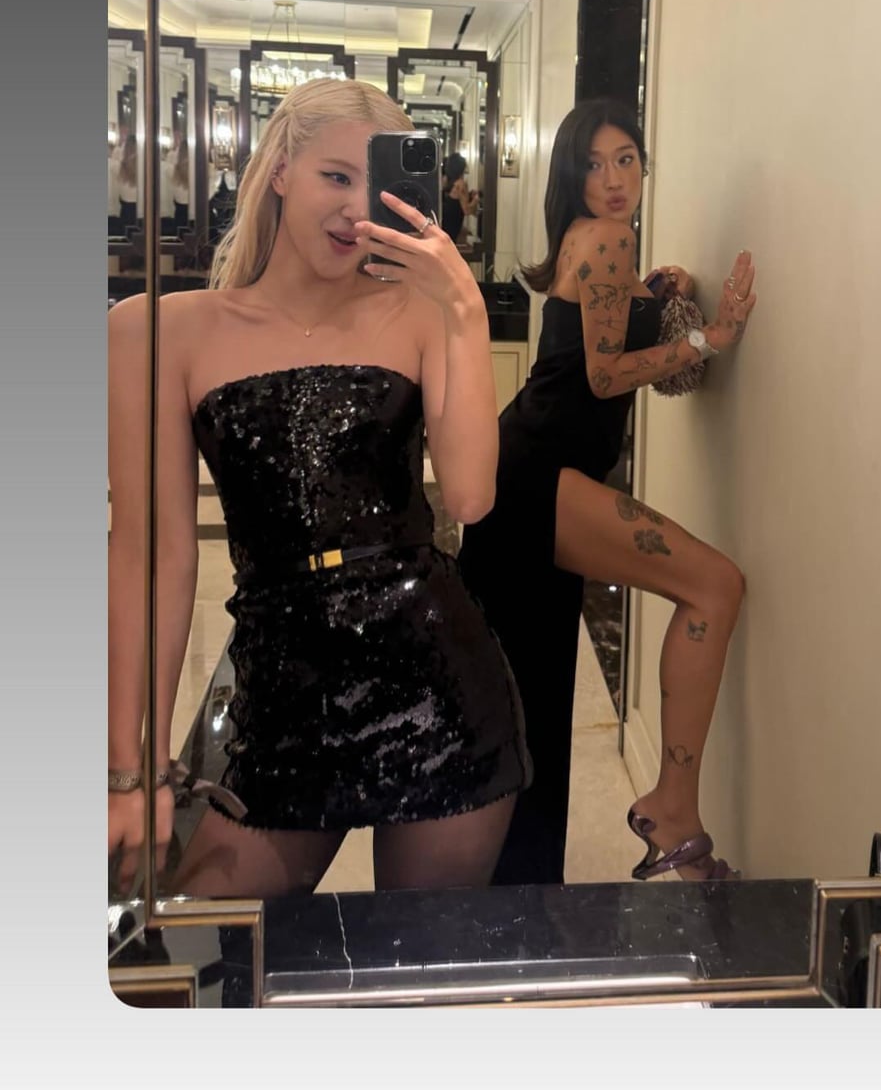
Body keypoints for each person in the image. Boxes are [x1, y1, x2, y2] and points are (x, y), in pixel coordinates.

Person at [108, 78, 530, 902]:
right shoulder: (158, 330)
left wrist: (463, 309)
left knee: (413, 968)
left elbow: (472, 497)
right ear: (279, 170)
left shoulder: (418, 315)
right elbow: (151, 557)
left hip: (436, 690)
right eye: (335, 176)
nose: (355, 209)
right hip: (282, 692)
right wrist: (133, 768)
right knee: (211, 948)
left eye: (377, 186)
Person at [457, 98, 755, 886]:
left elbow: (603, 327)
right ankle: (672, 808)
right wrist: (709, 336)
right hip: (539, 477)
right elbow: (601, 374)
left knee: (529, 691)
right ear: (570, 173)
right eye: (594, 164)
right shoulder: (605, 238)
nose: (614, 178)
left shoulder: (589, 240)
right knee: (716, 585)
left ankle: (519, 893)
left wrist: (663, 289)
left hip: (532, 471)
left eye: (627, 159)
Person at [440, 153, 479, 250]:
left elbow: (454, 198)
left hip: (445, 219)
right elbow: (467, 210)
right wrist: (475, 199)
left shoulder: (445, 181)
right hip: (453, 221)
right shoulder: (461, 184)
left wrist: (468, 195)